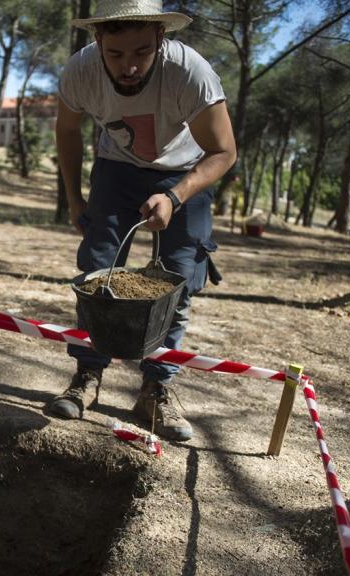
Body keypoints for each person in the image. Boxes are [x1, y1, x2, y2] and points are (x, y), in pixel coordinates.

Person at [48, 0, 237, 442]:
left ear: (160, 39)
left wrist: (174, 195)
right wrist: (75, 198)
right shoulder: (81, 71)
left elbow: (224, 152)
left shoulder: (192, 73)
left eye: (140, 53)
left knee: (180, 280)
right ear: (97, 42)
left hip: (187, 173)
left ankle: (156, 388)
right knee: (96, 269)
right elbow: (68, 130)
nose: (128, 67)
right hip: (115, 168)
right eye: (115, 55)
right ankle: (86, 377)